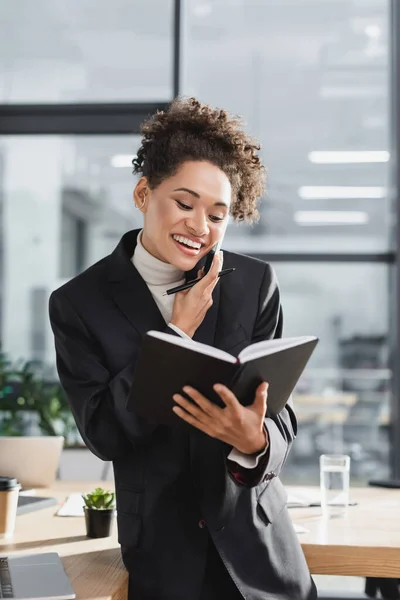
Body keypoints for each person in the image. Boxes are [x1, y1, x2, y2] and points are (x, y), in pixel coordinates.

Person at [49, 97, 317, 600]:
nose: (200, 227)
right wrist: (176, 334)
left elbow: (280, 415)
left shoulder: (252, 284)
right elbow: (104, 433)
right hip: (163, 557)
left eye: (218, 214)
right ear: (143, 193)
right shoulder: (78, 303)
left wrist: (254, 440)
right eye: (185, 203)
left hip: (259, 549)